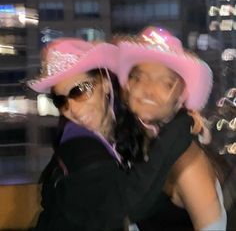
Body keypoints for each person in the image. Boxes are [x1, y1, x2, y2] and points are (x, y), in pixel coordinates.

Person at [28, 37, 194, 231]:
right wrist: (181, 126)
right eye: (60, 100)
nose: (72, 108)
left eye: (80, 91)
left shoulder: (120, 133)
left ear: (105, 84)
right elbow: (126, 207)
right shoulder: (78, 147)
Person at [117, 26, 227, 231]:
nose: (149, 90)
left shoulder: (186, 160)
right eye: (139, 78)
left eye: (165, 83)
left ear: (180, 98)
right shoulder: (140, 146)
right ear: (128, 87)